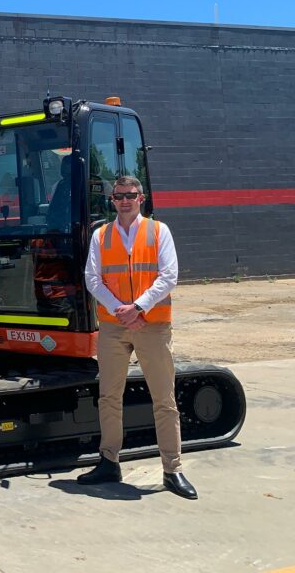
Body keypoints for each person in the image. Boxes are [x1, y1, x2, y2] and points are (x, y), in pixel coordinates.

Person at [77, 175, 197, 499]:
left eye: (131, 195)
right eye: (120, 196)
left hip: (152, 324)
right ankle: (109, 461)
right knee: (109, 396)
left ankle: (172, 469)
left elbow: (169, 275)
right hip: (115, 326)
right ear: (112, 200)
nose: (125, 200)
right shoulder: (101, 235)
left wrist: (139, 308)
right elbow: (92, 278)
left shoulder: (159, 231)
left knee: (164, 399)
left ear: (141, 199)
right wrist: (121, 310)